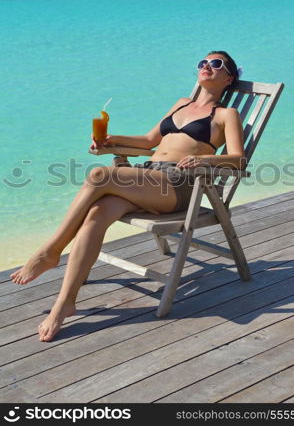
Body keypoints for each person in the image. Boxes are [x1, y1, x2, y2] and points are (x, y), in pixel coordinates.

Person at [10, 50, 245, 342]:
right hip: (148, 176)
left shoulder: (225, 115)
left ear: (229, 77)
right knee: (96, 215)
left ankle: (50, 251)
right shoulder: (181, 104)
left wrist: (206, 161)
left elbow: (238, 159)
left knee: (99, 176)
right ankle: (65, 303)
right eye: (203, 63)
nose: (207, 67)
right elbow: (148, 141)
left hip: (178, 185)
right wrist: (112, 141)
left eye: (216, 64)